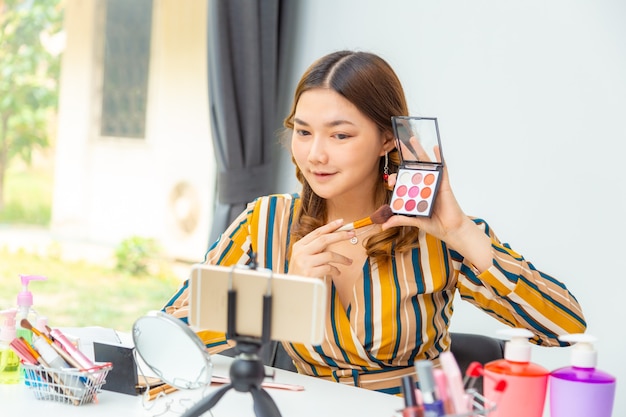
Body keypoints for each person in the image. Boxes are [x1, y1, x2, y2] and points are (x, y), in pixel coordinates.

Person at [163, 50, 586, 394]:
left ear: (388, 139)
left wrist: (462, 235)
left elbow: (566, 329)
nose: (315, 155)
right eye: (303, 131)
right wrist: (281, 292)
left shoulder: (439, 234)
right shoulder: (266, 221)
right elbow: (170, 337)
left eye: (340, 135)